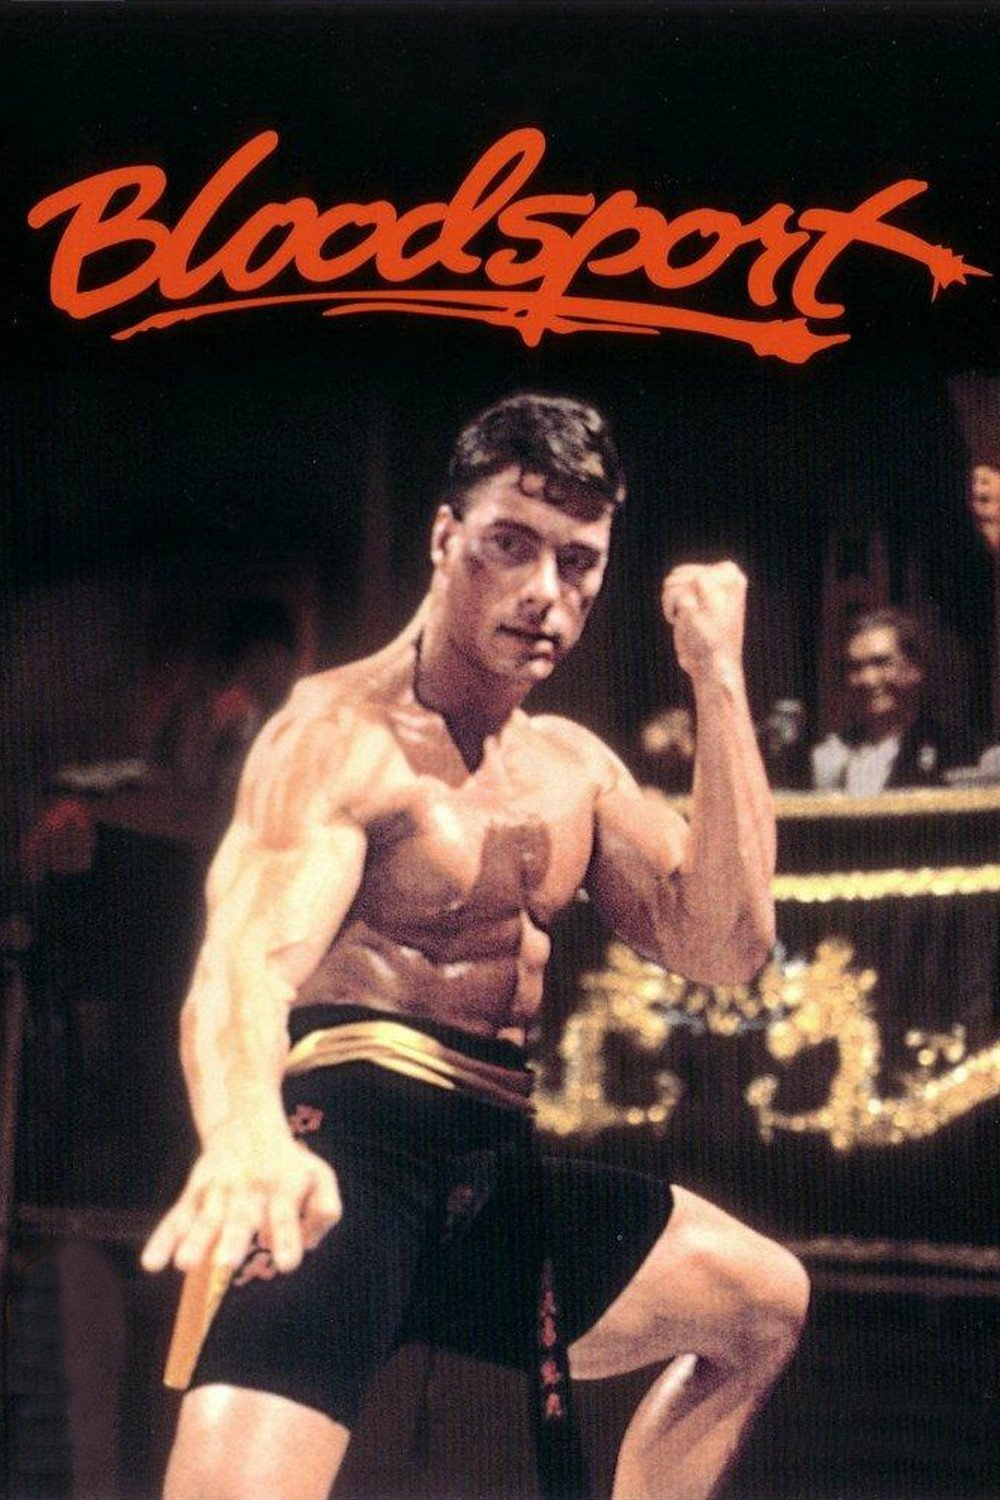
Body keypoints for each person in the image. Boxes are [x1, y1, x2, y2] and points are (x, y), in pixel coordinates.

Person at [141, 393, 808, 1500]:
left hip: (496, 1180)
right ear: (445, 538)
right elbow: (244, 966)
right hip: (340, 1170)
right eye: (512, 545)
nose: (546, 592)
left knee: (760, 1302)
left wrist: (718, 678)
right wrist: (246, 1132)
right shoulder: (337, 737)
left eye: (579, 563)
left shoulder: (571, 768)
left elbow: (729, 948)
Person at [811, 606, 966, 794]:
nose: (868, 679)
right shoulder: (829, 755)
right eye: (855, 667)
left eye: (881, 663)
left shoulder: (957, 751)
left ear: (915, 668)